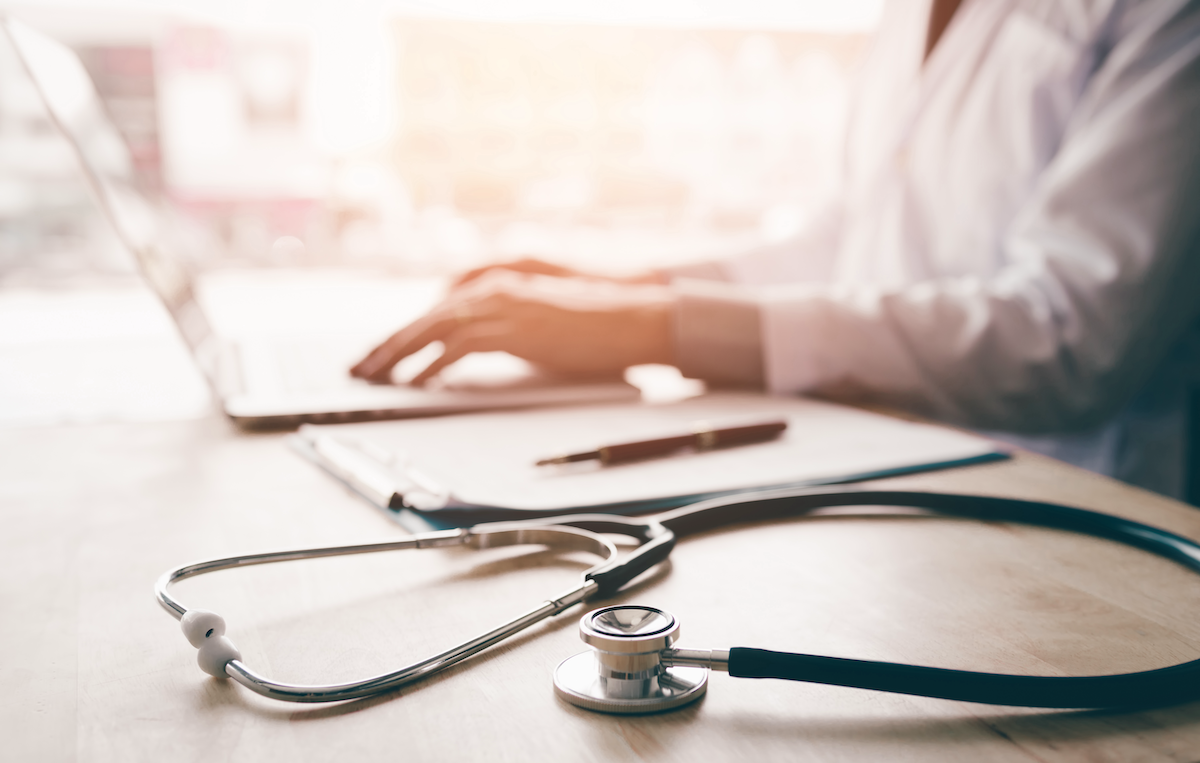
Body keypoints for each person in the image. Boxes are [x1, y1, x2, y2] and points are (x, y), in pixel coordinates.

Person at [352, 0, 1200, 500]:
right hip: (882, 482)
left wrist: (657, 328)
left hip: (1072, 511)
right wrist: (621, 291)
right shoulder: (910, 14)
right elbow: (849, 238)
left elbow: (1067, 338)